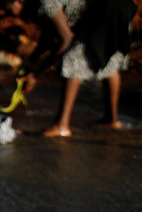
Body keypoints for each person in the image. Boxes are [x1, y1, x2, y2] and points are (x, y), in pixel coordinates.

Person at [15, 0, 137, 137]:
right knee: (108, 62)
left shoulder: (45, 2)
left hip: (110, 10)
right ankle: (111, 120)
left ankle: (61, 125)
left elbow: (66, 39)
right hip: (117, 7)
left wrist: (36, 73)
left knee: (71, 61)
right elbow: (50, 35)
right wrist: (32, 61)